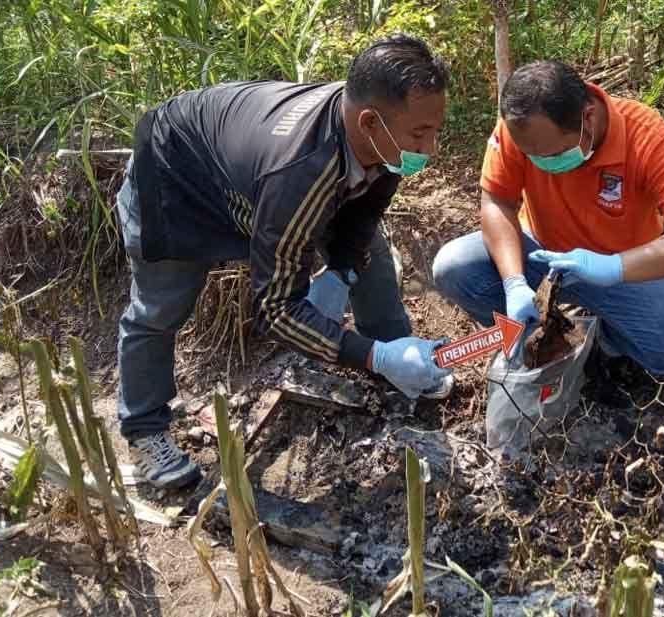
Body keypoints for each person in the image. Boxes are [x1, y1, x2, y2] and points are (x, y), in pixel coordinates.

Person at [116, 34, 453, 489]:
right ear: (370, 122)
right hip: (174, 172)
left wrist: (342, 271)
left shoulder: (374, 130)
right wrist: (372, 357)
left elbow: (364, 212)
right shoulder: (301, 171)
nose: (430, 148)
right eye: (420, 134)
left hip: (247, 170)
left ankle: (404, 360)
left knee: (367, 251)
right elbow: (274, 309)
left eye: (435, 131)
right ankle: (144, 430)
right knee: (160, 306)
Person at [433, 60, 664, 384]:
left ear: (588, 117)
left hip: (625, 271)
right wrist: (514, 282)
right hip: (542, 257)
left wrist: (613, 267)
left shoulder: (646, 136)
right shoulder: (522, 129)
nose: (541, 163)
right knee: (455, 266)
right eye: (531, 157)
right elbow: (497, 201)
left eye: (553, 155)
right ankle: (542, 343)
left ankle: (606, 341)